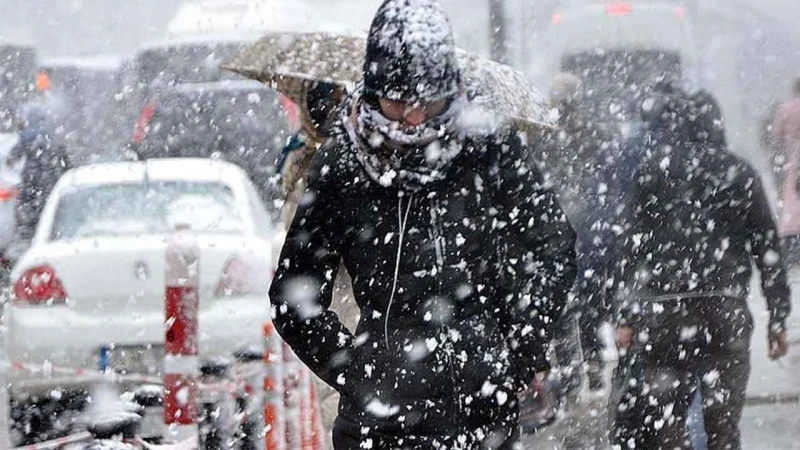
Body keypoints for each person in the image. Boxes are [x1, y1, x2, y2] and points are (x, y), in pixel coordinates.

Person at [268, 0, 578, 448]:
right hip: (381, 425)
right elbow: (292, 295)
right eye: (397, 103)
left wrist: (521, 345)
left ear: (450, 90)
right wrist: (358, 371)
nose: (413, 119)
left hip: (483, 414)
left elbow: (553, 245)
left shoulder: (487, 147)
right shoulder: (344, 164)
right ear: (373, 91)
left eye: (427, 103)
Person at [609, 87, 791, 450]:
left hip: (663, 312)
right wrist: (777, 317)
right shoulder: (739, 172)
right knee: (723, 426)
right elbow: (767, 248)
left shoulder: (651, 172)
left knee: (666, 424)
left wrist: (625, 313)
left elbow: (626, 245)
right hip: (724, 309)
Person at [538, 72, 614, 394]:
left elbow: (537, 172)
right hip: (587, 222)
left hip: (554, 224)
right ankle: (594, 359)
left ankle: (569, 370)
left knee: (561, 299)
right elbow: (605, 174)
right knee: (589, 296)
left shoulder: (542, 130)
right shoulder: (592, 129)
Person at [8, 103, 70, 245]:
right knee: (49, 212)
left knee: (27, 214)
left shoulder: (27, 135)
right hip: (51, 180)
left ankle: (31, 238)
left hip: (31, 180)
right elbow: (63, 158)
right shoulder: (51, 134)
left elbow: (13, 157)